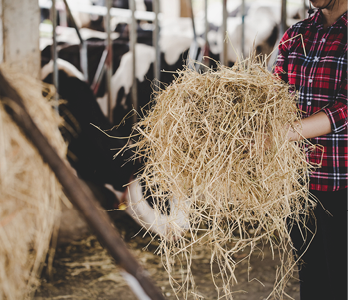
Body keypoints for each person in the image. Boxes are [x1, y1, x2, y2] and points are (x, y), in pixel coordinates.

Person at [274, 0, 348, 299]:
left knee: (341, 278)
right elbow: (275, 93)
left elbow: (345, 108)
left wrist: (283, 134)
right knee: (312, 277)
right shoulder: (297, 33)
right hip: (298, 182)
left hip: (341, 181)